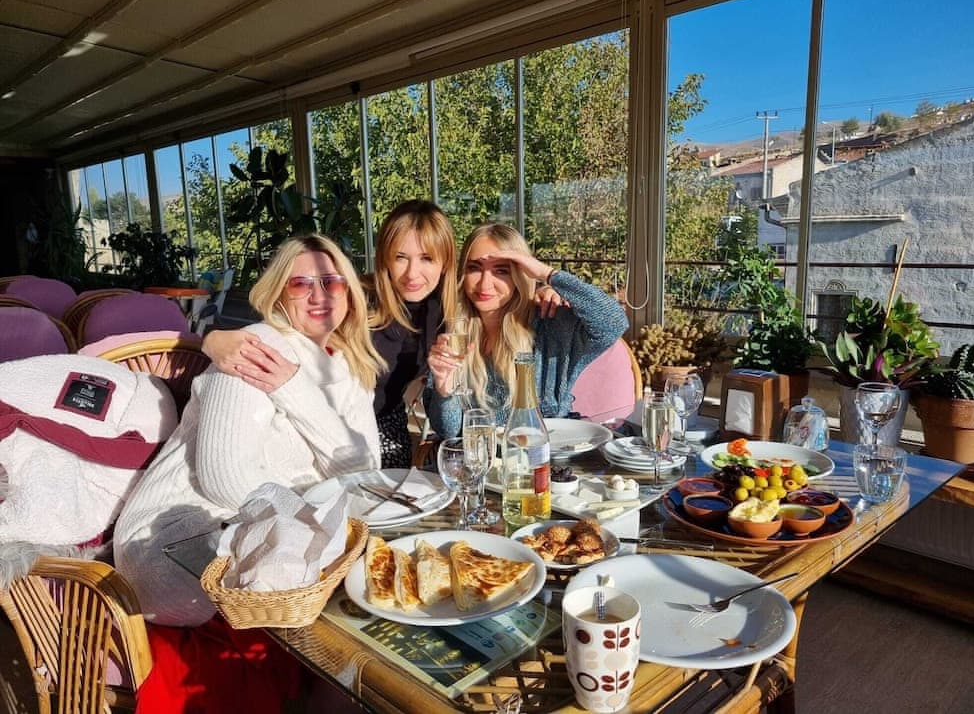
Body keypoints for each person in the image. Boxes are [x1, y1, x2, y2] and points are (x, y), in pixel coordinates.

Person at [115, 233, 382, 628]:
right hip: (175, 542)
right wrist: (318, 524)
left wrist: (294, 389)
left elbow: (364, 469)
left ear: (349, 291)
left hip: (278, 536)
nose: (318, 295)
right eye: (300, 283)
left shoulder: (349, 364)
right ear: (279, 295)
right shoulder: (255, 349)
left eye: (331, 282)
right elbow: (224, 478)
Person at [203, 200, 459, 467]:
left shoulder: (443, 313)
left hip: (388, 424)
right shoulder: (356, 298)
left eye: (426, 258)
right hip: (322, 423)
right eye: (400, 257)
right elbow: (282, 328)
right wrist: (210, 340)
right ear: (385, 257)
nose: (412, 273)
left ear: (445, 262)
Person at [426, 222, 628, 438]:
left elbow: (614, 323)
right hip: (484, 456)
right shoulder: (453, 332)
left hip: (547, 453)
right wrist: (444, 392)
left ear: (519, 275)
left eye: (501, 271)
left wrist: (548, 274)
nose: (485, 284)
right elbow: (449, 431)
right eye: (474, 268)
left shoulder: (550, 324)